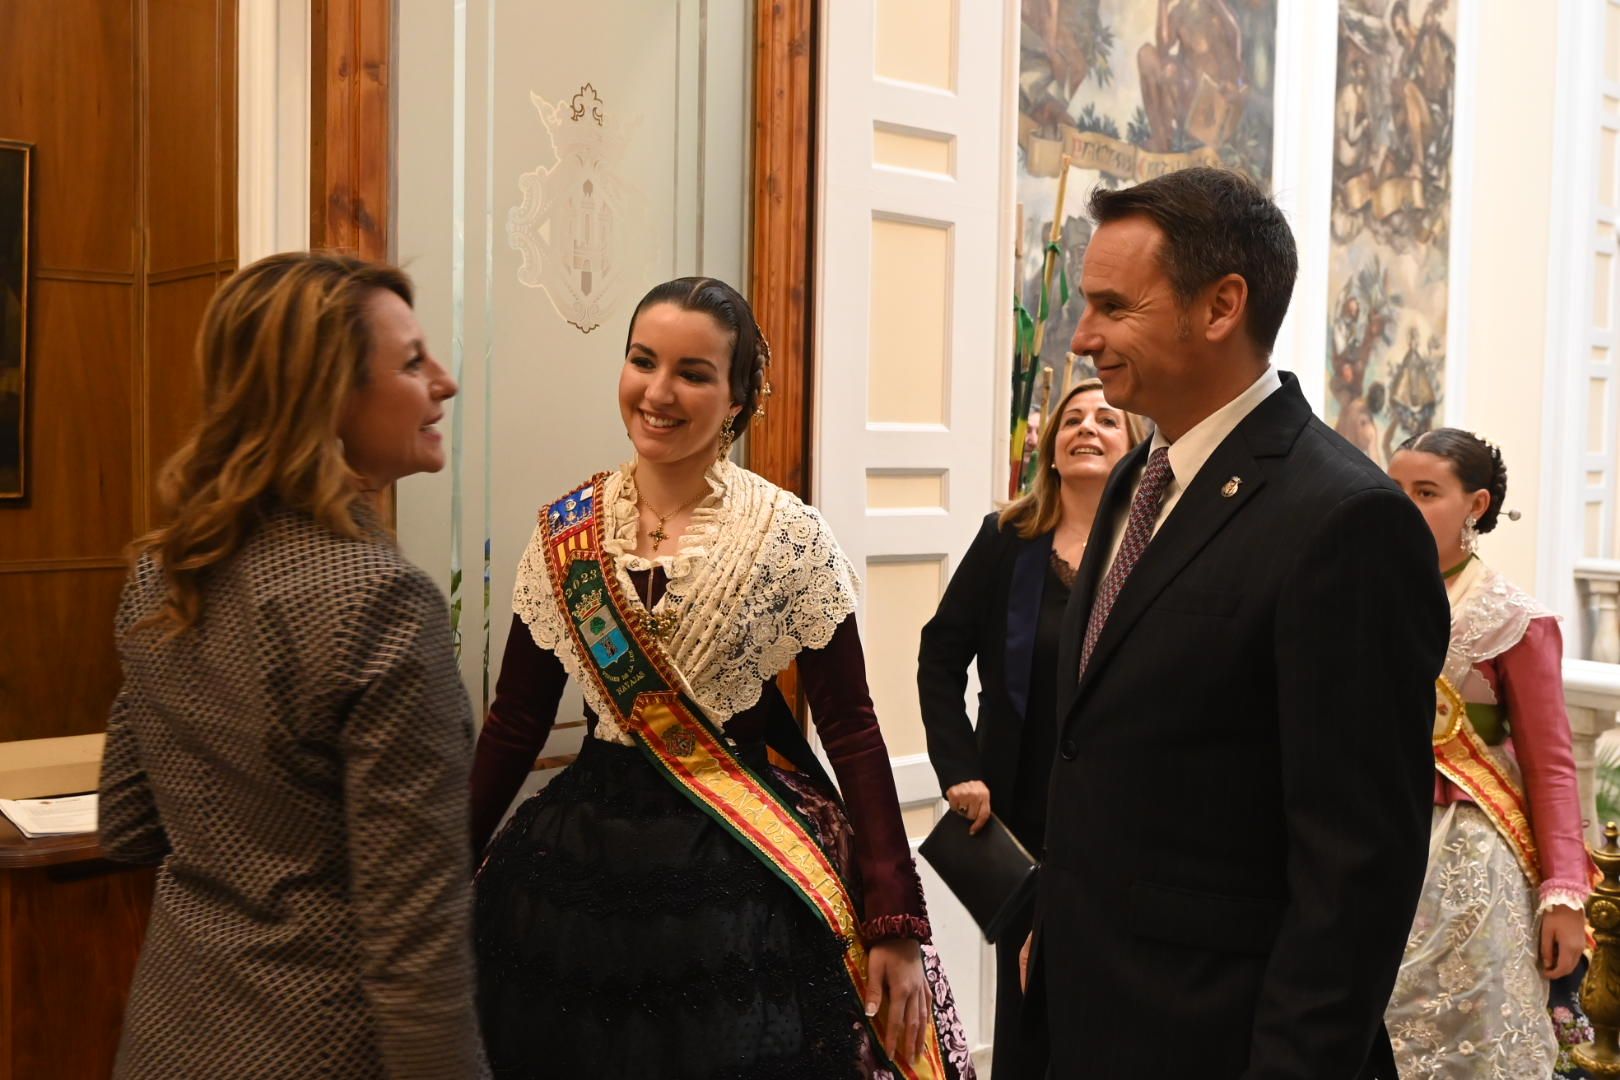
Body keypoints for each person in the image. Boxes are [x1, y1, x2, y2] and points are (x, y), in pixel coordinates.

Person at [470, 277, 974, 1079]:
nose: (658, 392)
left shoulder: (790, 537)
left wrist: (892, 917)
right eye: (643, 361)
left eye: (694, 373)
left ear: (741, 397)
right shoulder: (564, 532)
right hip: (579, 872)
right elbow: (514, 723)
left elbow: (851, 727)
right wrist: (446, 868)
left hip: (744, 876)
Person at [1020, 167, 1449, 1077]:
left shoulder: (1346, 521)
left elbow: (1356, 869)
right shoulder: (1142, 480)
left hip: (1221, 1040)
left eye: (1111, 306)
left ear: (1221, 306)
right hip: (1087, 1016)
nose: (1084, 335)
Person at [97, 253, 486, 1079]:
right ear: (328, 400)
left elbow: (128, 823)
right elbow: (415, 949)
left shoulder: (163, 572)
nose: (443, 383)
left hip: (170, 1035)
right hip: (321, 1048)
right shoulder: (379, 600)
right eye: (412, 361)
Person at [917, 378, 1140, 1078]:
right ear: (1049, 450)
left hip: (1123, 813)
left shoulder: (1156, 547)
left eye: (1108, 419)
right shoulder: (1007, 541)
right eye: (1072, 419)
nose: (1087, 428)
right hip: (1018, 813)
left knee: (1114, 1002)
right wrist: (959, 768)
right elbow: (940, 658)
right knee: (1026, 1002)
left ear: (1136, 448)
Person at [1385, 428, 1590, 1077]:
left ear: (1475, 506)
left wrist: (1564, 893)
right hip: (1371, 838)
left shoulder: (1513, 618)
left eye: (1425, 493)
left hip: (1470, 861)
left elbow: (1551, 764)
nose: (1402, 506)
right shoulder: (1358, 593)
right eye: (1393, 491)